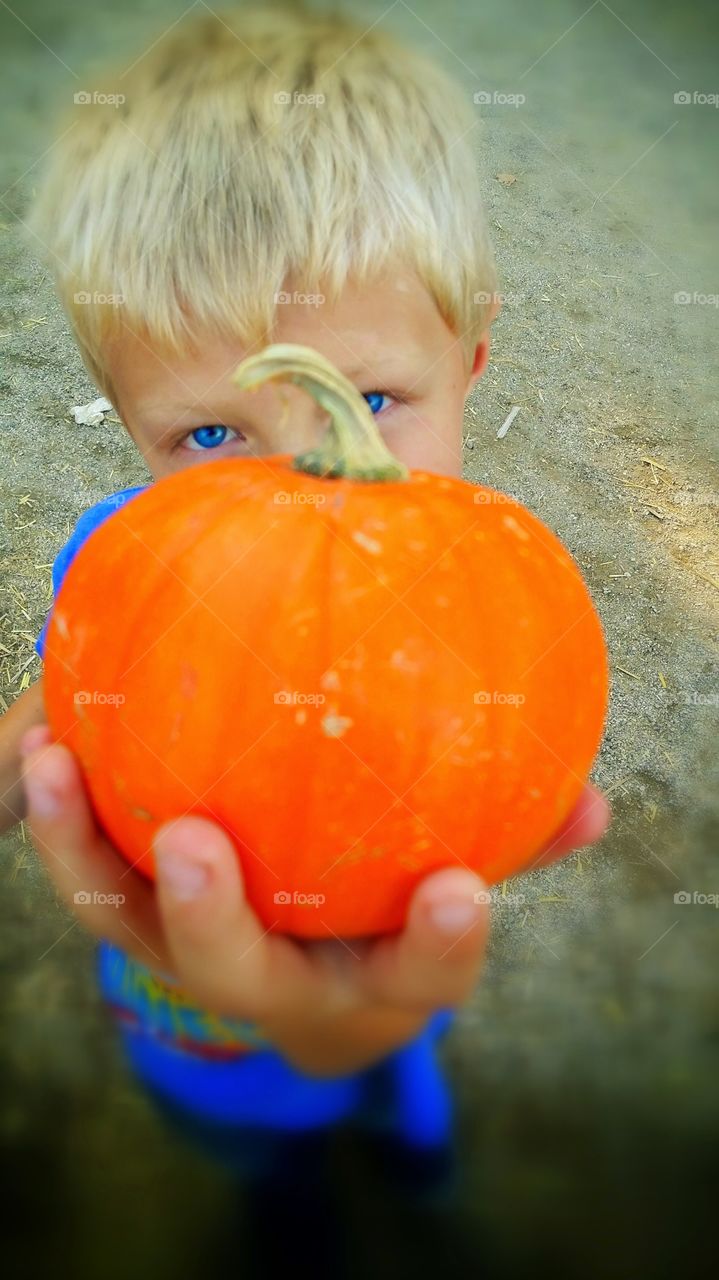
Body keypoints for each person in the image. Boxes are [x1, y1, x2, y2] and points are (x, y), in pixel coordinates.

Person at [0, 3, 610, 1196]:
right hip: (191, 1026)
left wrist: (353, 1022)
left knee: (392, 1066)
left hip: (389, 955)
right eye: (211, 430)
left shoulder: (488, 591)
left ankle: (402, 1112)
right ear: (128, 418)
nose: (294, 483)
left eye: (365, 398)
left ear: (468, 358)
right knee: (262, 1164)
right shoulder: (122, 563)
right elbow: (66, 710)